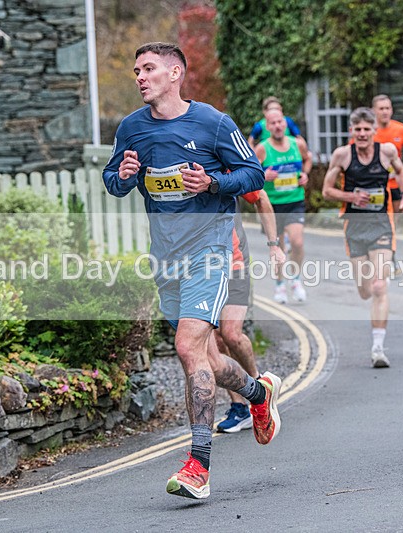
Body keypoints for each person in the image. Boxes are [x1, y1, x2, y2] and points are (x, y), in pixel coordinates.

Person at [102, 42, 282, 501]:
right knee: (202, 357)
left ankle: (198, 466)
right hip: (167, 259)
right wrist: (122, 174)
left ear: (175, 73)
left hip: (211, 250)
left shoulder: (213, 123)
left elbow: (255, 175)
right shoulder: (131, 128)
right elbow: (113, 183)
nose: (140, 77)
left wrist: (214, 182)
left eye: (149, 69)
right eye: (136, 70)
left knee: (186, 346)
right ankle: (257, 395)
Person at [322, 107, 403, 368]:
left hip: (381, 225)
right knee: (364, 291)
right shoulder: (342, 155)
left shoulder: (386, 151)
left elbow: (401, 171)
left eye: (367, 129)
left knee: (379, 286)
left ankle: (377, 348)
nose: (362, 134)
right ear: (351, 131)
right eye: (358, 129)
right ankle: (374, 329)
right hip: (354, 228)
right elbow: (327, 191)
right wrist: (352, 197)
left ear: (375, 130)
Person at [215, 190, 286, 433]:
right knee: (215, 340)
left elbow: (262, 198)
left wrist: (274, 246)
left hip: (234, 261)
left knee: (231, 334)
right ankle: (240, 408)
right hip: (202, 266)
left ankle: (260, 389)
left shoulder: (226, 163)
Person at [253, 108, 313, 304]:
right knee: (277, 247)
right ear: (267, 126)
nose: (277, 126)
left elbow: (308, 158)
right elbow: (249, 172)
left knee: (297, 243)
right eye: (273, 123)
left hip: (294, 201)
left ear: (285, 123)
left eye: (280, 122)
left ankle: (295, 279)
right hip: (272, 206)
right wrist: (263, 175)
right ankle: (279, 284)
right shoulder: (262, 148)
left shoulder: (298, 144)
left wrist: (305, 174)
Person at [371, 94, 403, 213]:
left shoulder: (401, 129)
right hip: (374, 181)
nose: (385, 112)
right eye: (381, 109)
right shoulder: (367, 131)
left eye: (388, 108)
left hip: (394, 181)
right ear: (373, 111)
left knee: (396, 215)